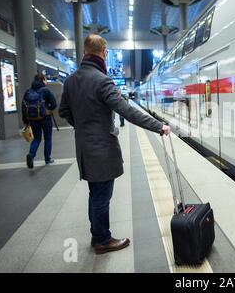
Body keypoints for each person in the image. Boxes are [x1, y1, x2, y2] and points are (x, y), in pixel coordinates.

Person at [59, 34, 170, 255]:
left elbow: (64, 112)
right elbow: (127, 111)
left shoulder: (71, 80)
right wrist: (158, 126)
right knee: (101, 197)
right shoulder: (102, 81)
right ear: (104, 53)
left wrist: (83, 128)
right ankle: (102, 240)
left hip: (84, 148)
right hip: (101, 150)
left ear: (84, 53)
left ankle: (97, 235)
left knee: (94, 193)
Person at [22, 74, 57, 169]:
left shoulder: (28, 91)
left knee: (37, 138)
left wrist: (26, 121)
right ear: (42, 80)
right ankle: (47, 159)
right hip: (45, 118)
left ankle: (31, 154)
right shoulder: (45, 90)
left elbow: (23, 107)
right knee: (48, 138)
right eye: (45, 79)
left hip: (33, 119)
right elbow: (54, 104)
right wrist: (48, 109)